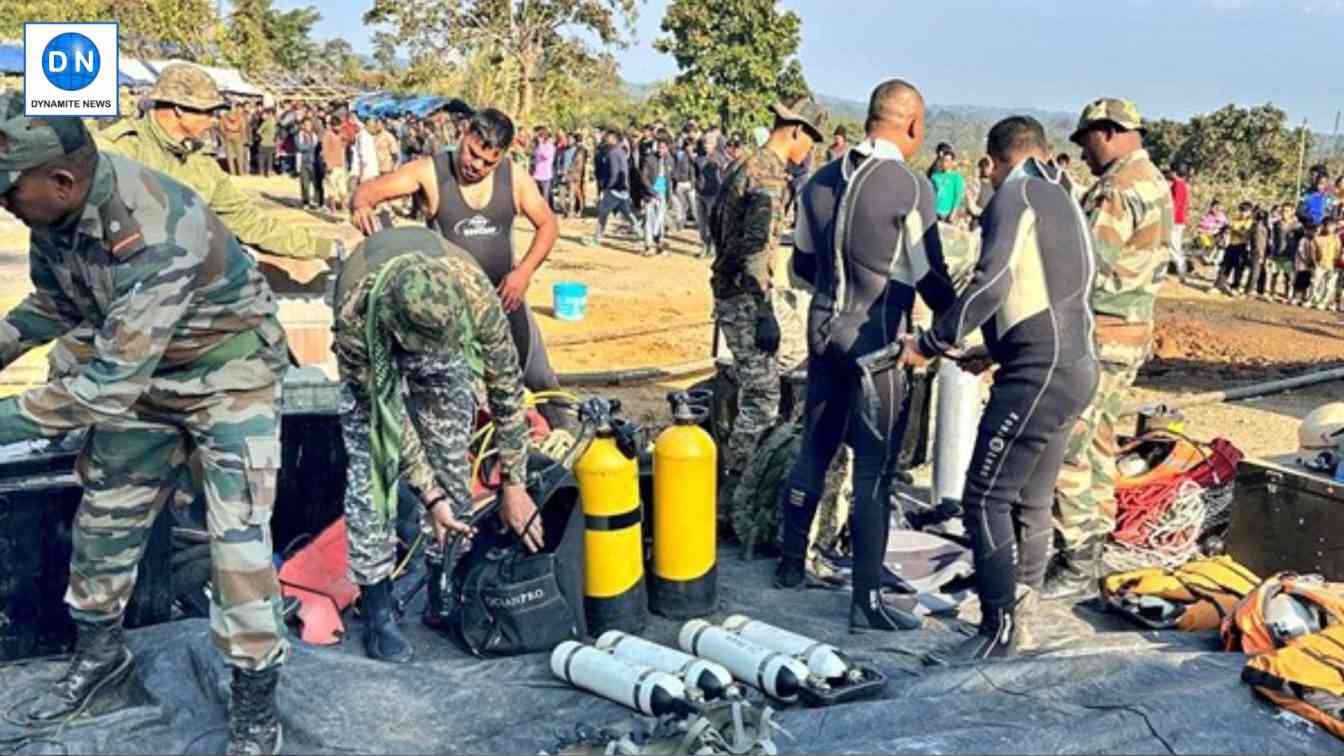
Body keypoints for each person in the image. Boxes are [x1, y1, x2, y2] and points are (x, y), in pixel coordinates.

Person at [0, 97, 288, 754]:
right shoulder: (54, 210)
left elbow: (101, 390)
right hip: (142, 379)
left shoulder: (155, 227)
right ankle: (102, 662)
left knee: (238, 545)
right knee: (103, 522)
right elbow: (53, 302)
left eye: (9, 192)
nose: (5, 206)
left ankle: (254, 707)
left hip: (228, 378)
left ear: (61, 181)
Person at [903, 116, 1099, 659]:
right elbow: (1057, 289)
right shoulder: (1064, 193)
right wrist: (995, 349)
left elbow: (991, 283)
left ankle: (998, 628)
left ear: (990, 164)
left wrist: (932, 340)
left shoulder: (1015, 196)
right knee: (1031, 498)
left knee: (985, 497)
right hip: (1075, 364)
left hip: (1039, 371)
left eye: (983, 173)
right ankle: (1023, 603)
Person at [774, 80, 952, 632]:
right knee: (875, 470)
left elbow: (800, 266)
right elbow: (930, 275)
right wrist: (956, 328)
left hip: (823, 328)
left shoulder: (820, 181)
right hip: (877, 338)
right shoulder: (909, 184)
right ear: (913, 126)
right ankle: (867, 602)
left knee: (815, 446)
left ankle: (788, 567)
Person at [331, 226, 540, 663]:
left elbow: (506, 386)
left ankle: (443, 584)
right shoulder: (354, 312)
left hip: (439, 335)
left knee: (451, 455)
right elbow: (386, 417)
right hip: (375, 342)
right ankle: (378, 607)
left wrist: (514, 482)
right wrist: (429, 496)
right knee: (373, 472)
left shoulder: (473, 294)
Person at [348, 108, 567, 422]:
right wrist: (361, 206)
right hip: (452, 311)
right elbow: (368, 192)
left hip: (505, 298)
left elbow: (548, 225)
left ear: (503, 155)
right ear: (464, 135)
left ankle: (566, 454)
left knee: (542, 381)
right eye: (472, 153)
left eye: (488, 162)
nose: (475, 166)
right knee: (464, 401)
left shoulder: (514, 177)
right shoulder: (430, 172)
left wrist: (524, 272)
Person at [1046, 98, 1172, 599]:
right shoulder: (1155, 182)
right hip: (1130, 335)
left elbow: (1083, 267)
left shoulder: (1117, 190)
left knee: (1071, 446)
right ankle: (1091, 548)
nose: (1083, 155)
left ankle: (1076, 558)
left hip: (1100, 336)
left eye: (1086, 143)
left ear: (1108, 132)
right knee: (1100, 443)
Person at [712, 97, 828, 508]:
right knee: (761, 400)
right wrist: (764, 313)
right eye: (809, 142)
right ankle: (733, 497)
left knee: (759, 384)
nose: (809, 152)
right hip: (747, 296)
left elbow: (718, 226)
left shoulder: (744, 164)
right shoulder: (770, 177)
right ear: (796, 131)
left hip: (730, 289)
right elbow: (757, 250)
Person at [588, 129, 641, 245]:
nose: (606, 139)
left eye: (608, 137)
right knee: (627, 213)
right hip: (622, 188)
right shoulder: (621, 151)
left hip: (614, 188)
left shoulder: (612, 153)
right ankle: (640, 233)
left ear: (614, 139)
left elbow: (614, 172)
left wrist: (608, 186)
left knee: (603, 213)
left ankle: (597, 238)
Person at [693, 137, 727, 259]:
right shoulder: (699, 157)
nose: (706, 145)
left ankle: (712, 247)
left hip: (713, 195)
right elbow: (695, 174)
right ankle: (704, 245)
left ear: (714, 144)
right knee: (701, 223)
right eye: (705, 143)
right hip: (700, 194)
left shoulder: (720, 159)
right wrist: (695, 186)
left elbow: (723, 177)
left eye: (708, 143)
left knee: (711, 222)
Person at [641, 135, 675, 256]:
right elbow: (644, 177)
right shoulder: (649, 159)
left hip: (662, 192)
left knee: (660, 221)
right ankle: (648, 245)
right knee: (649, 219)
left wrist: (669, 196)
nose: (661, 150)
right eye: (659, 148)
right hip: (651, 193)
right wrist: (651, 191)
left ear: (667, 148)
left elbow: (670, 180)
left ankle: (659, 243)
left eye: (664, 148)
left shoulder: (670, 160)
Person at [1215, 201, 1253, 295]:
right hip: (1231, 245)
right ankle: (1218, 285)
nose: (1242, 213)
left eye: (1245, 211)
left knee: (1239, 268)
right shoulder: (1235, 218)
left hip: (1242, 247)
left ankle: (1235, 287)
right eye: (1241, 210)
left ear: (1250, 212)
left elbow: (1245, 234)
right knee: (1225, 266)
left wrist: (1234, 229)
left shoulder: (1250, 221)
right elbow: (1228, 228)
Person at [1268, 203, 1299, 301]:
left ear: (1292, 212)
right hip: (1277, 253)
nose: (1284, 213)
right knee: (1274, 274)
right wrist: (1271, 253)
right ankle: (1271, 293)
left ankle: (1287, 295)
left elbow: (1300, 241)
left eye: (1286, 211)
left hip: (1289, 254)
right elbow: (1273, 239)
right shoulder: (1276, 224)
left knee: (1288, 276)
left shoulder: (1297, 226)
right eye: (1282, 211)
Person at [322, 115, 351, 212]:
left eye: (339, 125)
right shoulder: (327, 135)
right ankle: (332, 207)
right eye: (336, 126)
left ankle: (343, 206)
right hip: (332, 165)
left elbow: (345, 144)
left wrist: (344, 137)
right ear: (332, 126)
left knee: (342, 187)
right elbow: (325, 151)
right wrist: (328, 164)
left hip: (340, 164)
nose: (338, 128)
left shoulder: (340, 134)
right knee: (332, 188)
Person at [1310, 219, 1340, 309]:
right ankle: (1315, 300)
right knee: (1315, 283)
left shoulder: (1336, 238)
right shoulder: (1317, 238)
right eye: (1327, 226)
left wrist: (1337, 262)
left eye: (1332, 226)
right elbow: (1313, 250)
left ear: (1335, 227)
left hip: (1332, 265)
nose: (1329, 228)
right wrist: (1314, 261)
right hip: (1320, 264)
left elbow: (1338, 251)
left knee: (1329, 286)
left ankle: (1324, 302)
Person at [295, 117, 324, 209]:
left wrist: (309, 147)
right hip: (303, 162)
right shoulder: (298, 136)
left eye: (310, 125)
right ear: (302, 126)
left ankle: (317, 202)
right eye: (306, 125)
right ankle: (305, 202)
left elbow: (317, 148)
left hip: (314, 162)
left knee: (317, 183)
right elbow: (300, 147)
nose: (308, 127)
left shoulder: (314, 136)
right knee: (305, 184)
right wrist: (311, 146)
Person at [1167, 165, 1190, 282]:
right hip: (1177, 220)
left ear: (1174, 172)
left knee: (1174, 247)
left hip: (1175, 220)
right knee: (1171, 246)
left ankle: (1182, 273)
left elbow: (1176, 204)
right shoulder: (1180, 185)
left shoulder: (1179, 185)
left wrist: (1168, 218)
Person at [929, 149, 965, 221]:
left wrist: (953, 212)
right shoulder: (934, 176)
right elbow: (930, 193)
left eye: (947, 160)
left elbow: (958, 196)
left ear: (952, 162)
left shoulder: (956, 177)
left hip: (947, 214)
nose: (944, 162)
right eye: (943, 160)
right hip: (934, 212)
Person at [1246, 207, 1271, 298]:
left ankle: (1259, 290)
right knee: (1255, 271)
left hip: (1261, 252)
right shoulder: (1258, 227)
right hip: (1257, 252)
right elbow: (1257, 242)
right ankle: (1250, 289)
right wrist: (1260, 254)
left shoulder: (1262, 227)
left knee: (1261, 272)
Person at [350, 115, 380, 189]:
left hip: (371, 171)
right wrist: (362, 174)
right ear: (367, 126)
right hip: (366, 172)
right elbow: (362, 157)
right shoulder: (363, 137)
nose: (375, 128)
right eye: (373, 126)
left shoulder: (369, 135)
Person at [219, 103, 248, 176]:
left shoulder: (224, 116)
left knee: (229, 156)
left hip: (228, 135)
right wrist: (244, 138)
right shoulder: (241, 117)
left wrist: (224, 135)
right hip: (238, 135)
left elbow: (221, 127)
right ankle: (241, 173)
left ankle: (232, 173)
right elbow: (243, 128)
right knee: (240, 155)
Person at [966, 156, 994, 227]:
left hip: (990, 223)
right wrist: (986, 213)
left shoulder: (995, 185)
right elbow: (971, 207)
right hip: (977, 224)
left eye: (987, 166)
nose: (985, 169)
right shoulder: (974, 184)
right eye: (983, 166)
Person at [532, 126, 556, 205]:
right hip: (537, 175)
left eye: (540, 137)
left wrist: (541, 145)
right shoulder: (537, 146)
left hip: (545, 176)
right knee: (536, 196)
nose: (538, 139)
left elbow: (546, 156)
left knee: (545, 197)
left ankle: (546, 212)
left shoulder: (549, 146)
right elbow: (535, 158)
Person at [256, 108, 277, 178]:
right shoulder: (274, 122)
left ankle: (261, 172)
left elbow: (258, 132)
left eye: (263, 114)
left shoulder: (266, 122)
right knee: (270, 158)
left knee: (262, 158)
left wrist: (263, 136)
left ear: (268, 114)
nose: (262, 116)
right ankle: (269, 171)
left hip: (264, 143)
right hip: (271, 143)